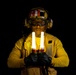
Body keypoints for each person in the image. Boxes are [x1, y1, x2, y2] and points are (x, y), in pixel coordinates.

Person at [7, 7, 69, 75]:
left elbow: (65, 61)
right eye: (34, 23)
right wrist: (25, 61)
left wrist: (50, 60)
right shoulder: (21, 42)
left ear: (48, 24)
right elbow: (10, 62)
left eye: (42, 23)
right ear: (28, 24)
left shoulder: (54, 41)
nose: (38, 26)